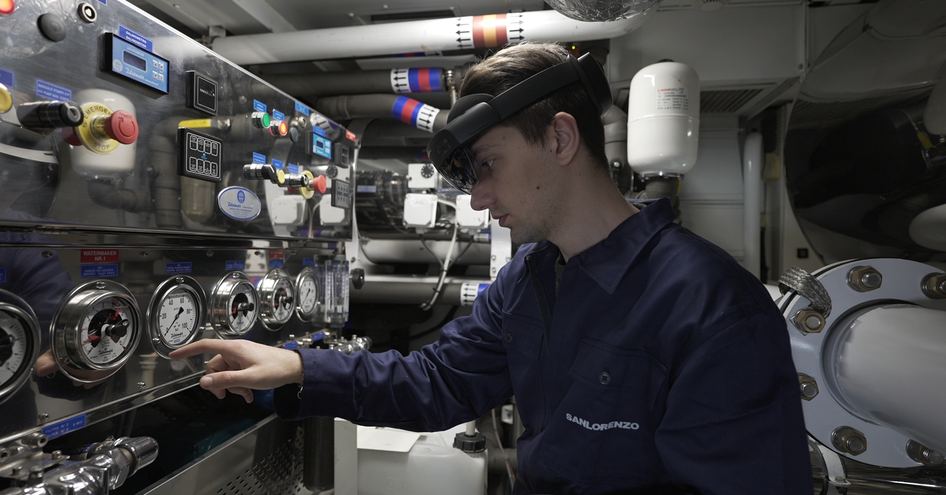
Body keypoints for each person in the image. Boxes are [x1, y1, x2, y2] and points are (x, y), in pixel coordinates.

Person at [171, 42, 812, 494]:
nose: (476, 198)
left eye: (487, 165)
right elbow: (439, 381)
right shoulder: (531, 277)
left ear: (560, 139)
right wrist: (300, 369)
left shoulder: (713, 307)